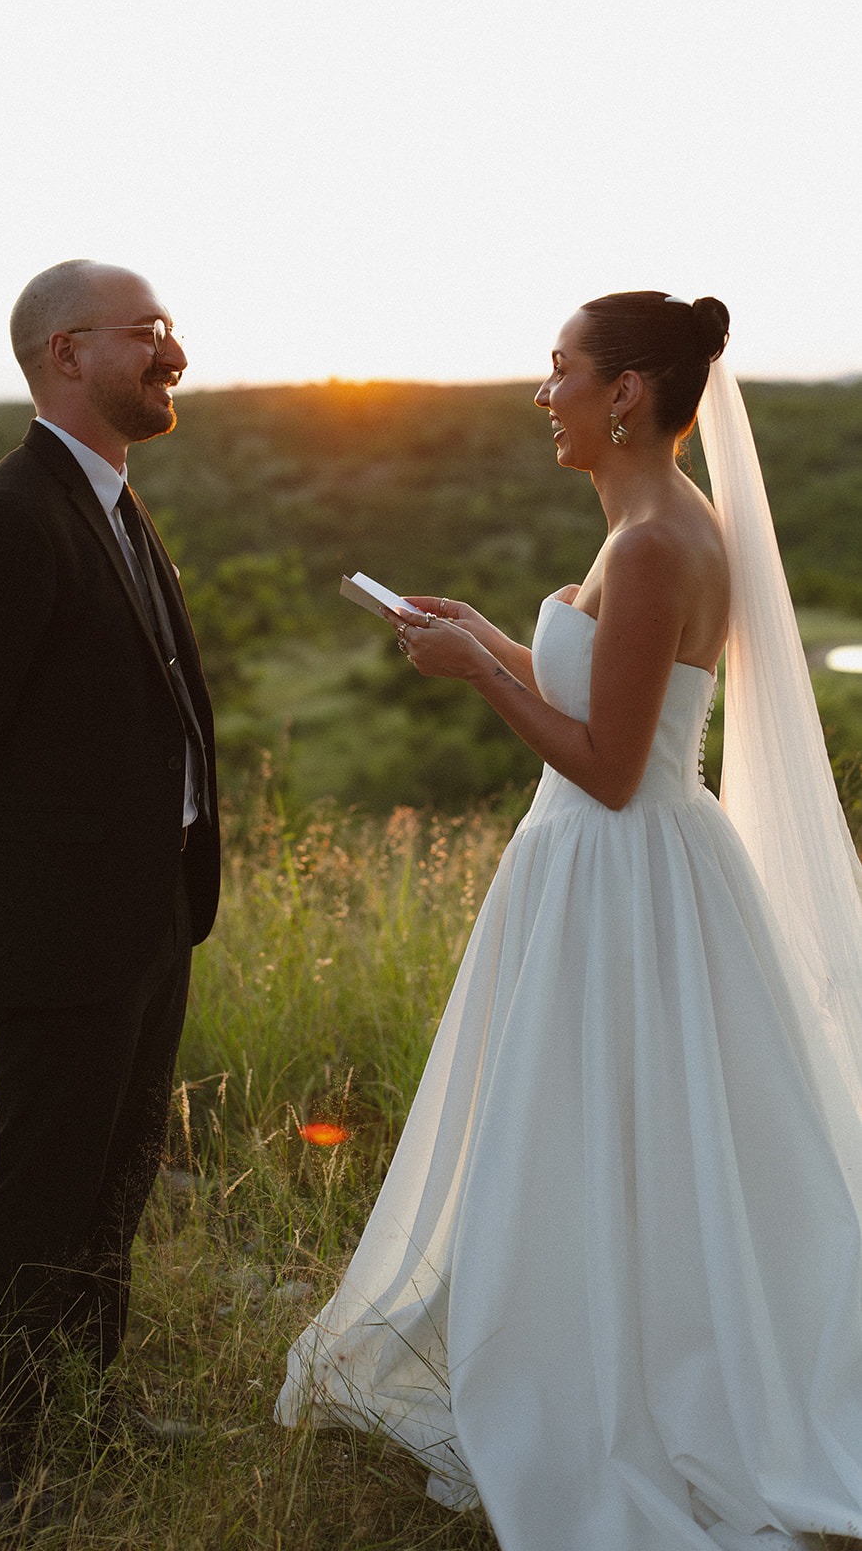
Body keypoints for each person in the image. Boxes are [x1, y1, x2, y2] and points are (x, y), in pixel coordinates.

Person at [276, 293, 862, 1551]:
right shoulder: (636, 527)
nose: (540, 393)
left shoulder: (656, 541)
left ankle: (628, 1385)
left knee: (613, 1132)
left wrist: (482, 674)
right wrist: (479, 630)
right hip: (594, 866)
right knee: (596, 1131)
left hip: (625, 874)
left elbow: (609, 764)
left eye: (559, 370)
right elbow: (602, 696)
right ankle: (588, 1337)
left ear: (626, 394)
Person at [0, 259, 220, 1515]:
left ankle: (86, 1399)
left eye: (169, 329)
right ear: (66, 353)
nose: (173, 351)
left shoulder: (114, 498)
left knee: (115, 1173)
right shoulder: (10, 515)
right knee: (39, 1192)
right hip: (56, 925)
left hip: (146, 911)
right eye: (149, 334)